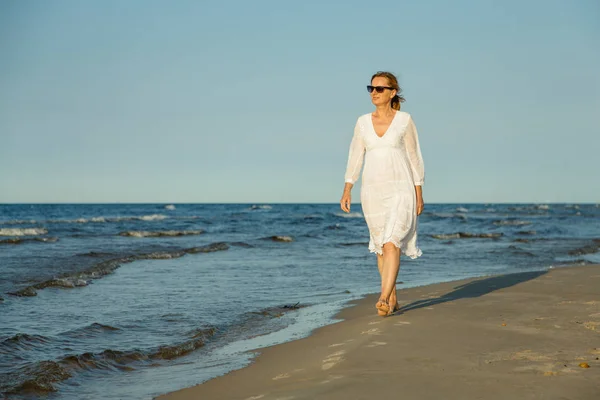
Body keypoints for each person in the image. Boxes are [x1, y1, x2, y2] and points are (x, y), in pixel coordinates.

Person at [340, 71, 425, 317]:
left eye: (379, 88)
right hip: (373, 191)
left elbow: (414, 157)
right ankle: (393, 299)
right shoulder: (363, 122)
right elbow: (355, 156)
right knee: (380, 247)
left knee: (391, 243)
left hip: (401, 188)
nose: (374, 93)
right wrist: (348, 188)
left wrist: (419, 191)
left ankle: (383, 297)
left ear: (392, 92)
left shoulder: (404, 121)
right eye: (371, 88)